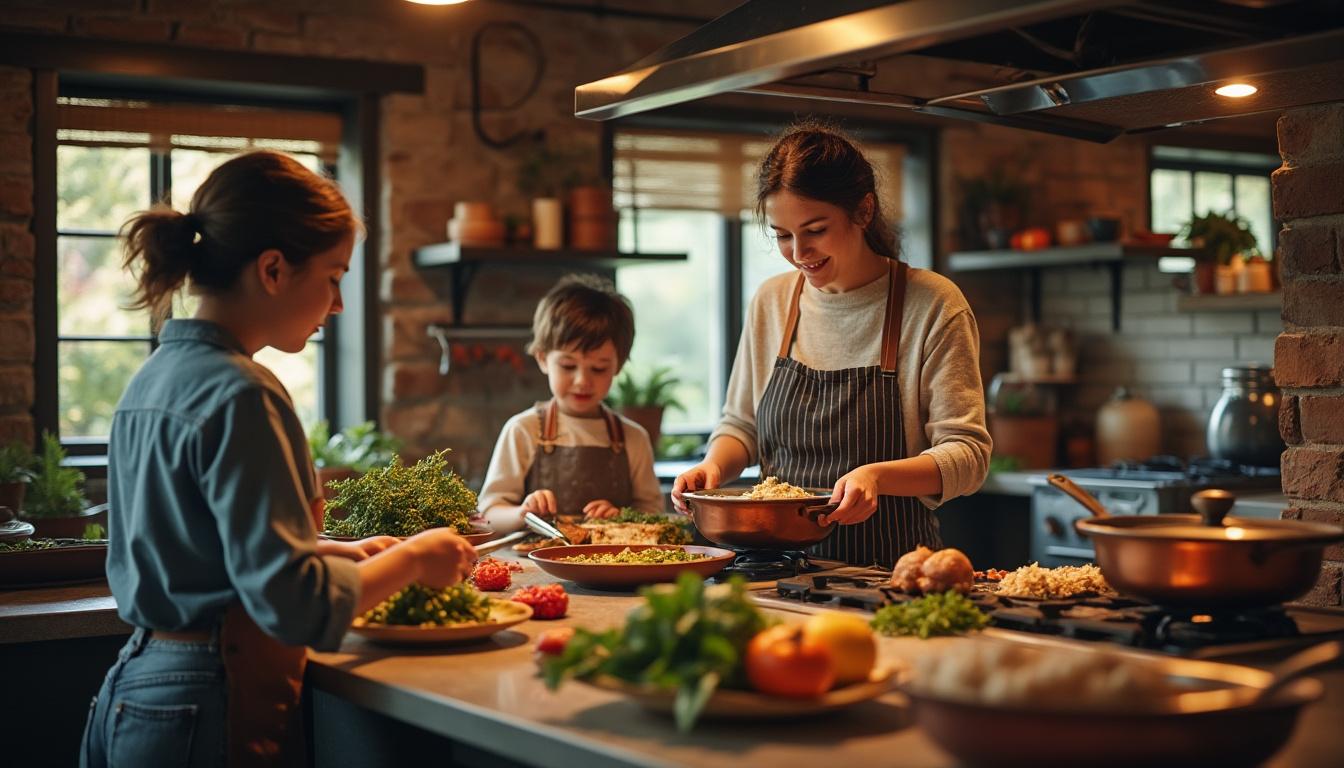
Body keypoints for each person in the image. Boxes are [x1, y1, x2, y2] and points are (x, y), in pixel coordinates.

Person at [81, 151, 477, 768]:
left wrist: (340, 553)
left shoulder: (156, 377)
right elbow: (292, 603)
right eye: (334, 275)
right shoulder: (243, 391)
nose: (338, 304)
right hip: (208, 694)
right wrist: (414, 559)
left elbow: (211, 554)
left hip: (135, 688)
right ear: (272, 269)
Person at [672, 124, 991, 568]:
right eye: (782, 235)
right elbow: (740, 424)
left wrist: (876, 477)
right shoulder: (773, 301)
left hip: (888, 576)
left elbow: (968, 455)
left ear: (863, 211)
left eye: (815, 230)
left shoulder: (933, 303)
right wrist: (713, 467)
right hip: (773, 573)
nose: (799, 252)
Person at [479, 274, 663, 532]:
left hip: (614, 567)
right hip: (536, 568)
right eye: (567, 366)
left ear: (618, 365)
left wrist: (621, 516)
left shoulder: (633, 438)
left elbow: (654, 515)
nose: (582, 381)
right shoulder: (523, 430)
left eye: (598, 369)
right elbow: (489, 514)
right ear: (543, 359)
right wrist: (524, 513)